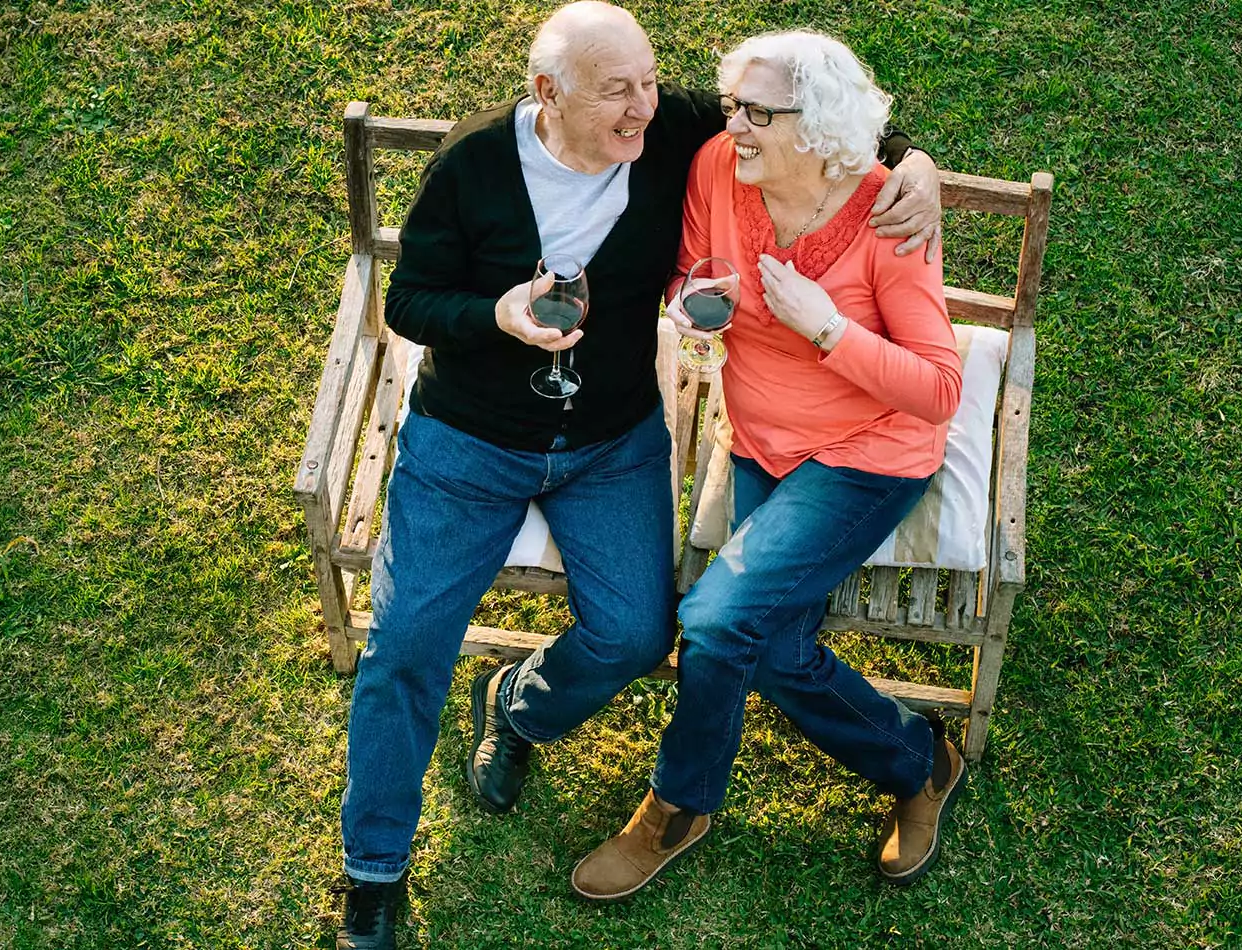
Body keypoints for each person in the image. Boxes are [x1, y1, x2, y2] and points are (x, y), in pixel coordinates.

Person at [334, 6, 943, 947]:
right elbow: (411, 299)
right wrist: (495, 315)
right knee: (409, 641)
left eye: (652, 83)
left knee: (641, 631)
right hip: (471, 440)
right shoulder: (478, 165)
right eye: (618, 90)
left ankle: (522, 708)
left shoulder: (677, 135)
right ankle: (374, 871)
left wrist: (911, 163)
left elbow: (825, 116)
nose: (645, 108)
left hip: (611, 439)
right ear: (549, 94)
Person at [566, 30, 967, 904]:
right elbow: (687, 271)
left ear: (818, 128)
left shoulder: (887, 221)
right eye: (732, 106)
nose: (733, 124)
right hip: (761, 440)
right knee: (776, 647)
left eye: (755, 112)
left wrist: (828, 329)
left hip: (864, 459)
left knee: (713, 621)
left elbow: (938, 389)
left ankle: (677, 806)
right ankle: (918, 758)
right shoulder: (718, 167)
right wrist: (692, 307)